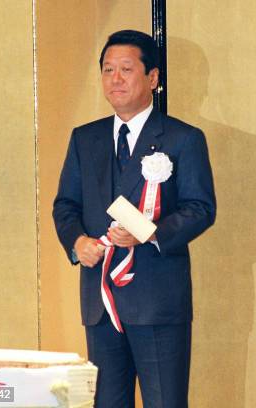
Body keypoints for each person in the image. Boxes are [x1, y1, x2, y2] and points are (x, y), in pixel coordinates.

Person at [53, 30, 216, 407]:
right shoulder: (85, 138)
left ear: (153, 78)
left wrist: (150, 233)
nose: (116, 79)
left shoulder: (182, 138)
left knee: (165, 401)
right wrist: (77, 243)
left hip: (157, 298)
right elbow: (65, 205)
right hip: (100, 299)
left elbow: (200, 208)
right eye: (108, 70)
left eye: (126, 69)